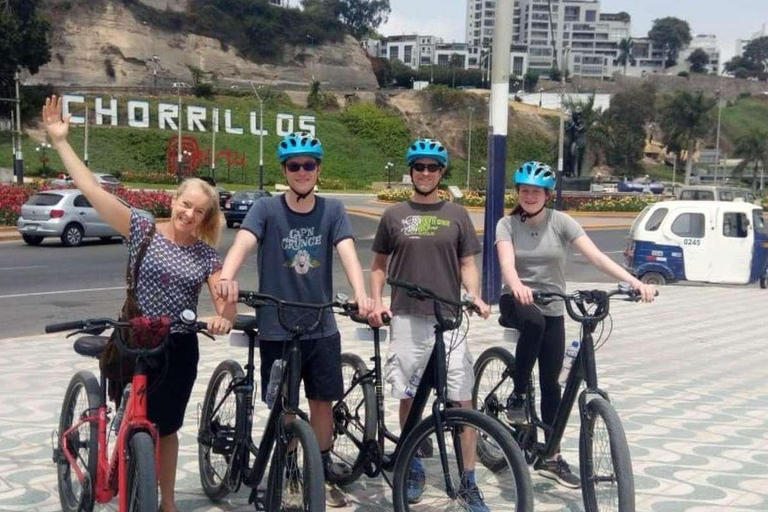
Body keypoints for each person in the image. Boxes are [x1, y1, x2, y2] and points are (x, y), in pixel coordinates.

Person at [41, 95, 235, 512]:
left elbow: (224, 299)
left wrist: (223, 317)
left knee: (166, 429)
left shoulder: (206, 256)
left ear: (207, 218)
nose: (189, 215)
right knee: (127, 411)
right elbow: (92, 190)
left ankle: (166, 501)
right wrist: (61, 142)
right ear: (173, 200)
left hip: (178, 347)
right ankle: (119, 451)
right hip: (134, 337)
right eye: (185, 204)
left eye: (199, 212)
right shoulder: (142, 228)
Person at [214, 132, 373, 507]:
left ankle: (319, 472)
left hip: (321, 324)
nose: (302, 172)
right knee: (284, 405)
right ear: (284, 170)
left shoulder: (332, 210)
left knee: (322, 404)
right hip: (276, 326)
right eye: (294, 166)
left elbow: (348, 251)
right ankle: (286, 473)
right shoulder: (266, 210)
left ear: (318, 169)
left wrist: (361, 293)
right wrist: (227, 275)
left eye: (309, 165)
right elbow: (244, 242)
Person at [496, 161, 656, 488]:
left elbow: (596, 257)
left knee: (553, 382)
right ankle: (518, 393)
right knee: (535, 323)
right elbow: (507, 264)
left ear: (547, 194)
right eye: (524, 190)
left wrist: (634, 282)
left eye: (535, 191)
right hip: (517, 300)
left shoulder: (562, 223)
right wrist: (518, 286)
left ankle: (550, 458)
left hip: (554, 304)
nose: (528, 196)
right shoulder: (506, 225)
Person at [368, 138, 491, 510]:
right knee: (409, 394)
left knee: (462, 396)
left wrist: (474, 295)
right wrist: (375, 301)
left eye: (432, 167)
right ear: (411, 171)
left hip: (449, 319)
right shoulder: (393, 215)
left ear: (441, 173)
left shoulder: (457, 214)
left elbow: (468, 263)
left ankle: (468, 479)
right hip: (406, 317)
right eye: (419, 166)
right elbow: (378, 265)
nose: (425, 173)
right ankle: (414, 465)